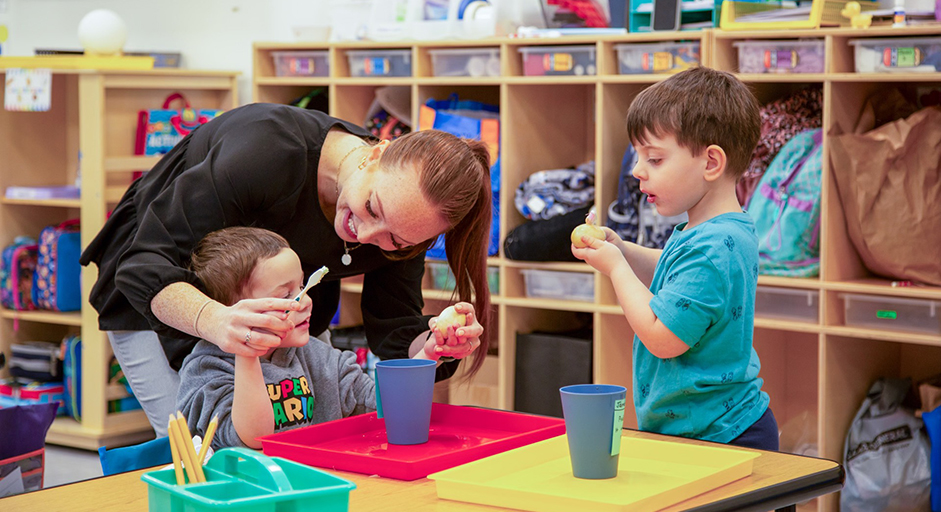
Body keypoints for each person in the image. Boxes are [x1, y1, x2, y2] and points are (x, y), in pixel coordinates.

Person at [80, 103, 492, 438]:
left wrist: (437, 344)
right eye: (371, 208)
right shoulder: (265, 152)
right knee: (199, 453)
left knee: (303, 436)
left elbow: (395, 332)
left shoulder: (404, 224)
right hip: (160, 284)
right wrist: (220, 322)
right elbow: (146, 264)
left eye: (397, 241)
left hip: (276, 322)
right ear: (377, 153)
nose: (367, 235)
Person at [572, 67, 778, 450]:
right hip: (707, 430)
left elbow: (661, 337)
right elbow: (674, 274)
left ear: (711, 163)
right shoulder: (715, 231)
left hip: (722, 436)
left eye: (655, 159)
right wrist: (622, 249)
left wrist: (616, 269)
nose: (636, 171)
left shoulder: (711, 246)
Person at [178, 227, 465, 448]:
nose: (305, 301)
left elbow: (384, 407)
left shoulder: (319, 356)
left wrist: (429, 355)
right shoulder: (208, 369)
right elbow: (255, 438)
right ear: (234, 312)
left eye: (303, 286)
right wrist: (246, 349)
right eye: (285, 295)